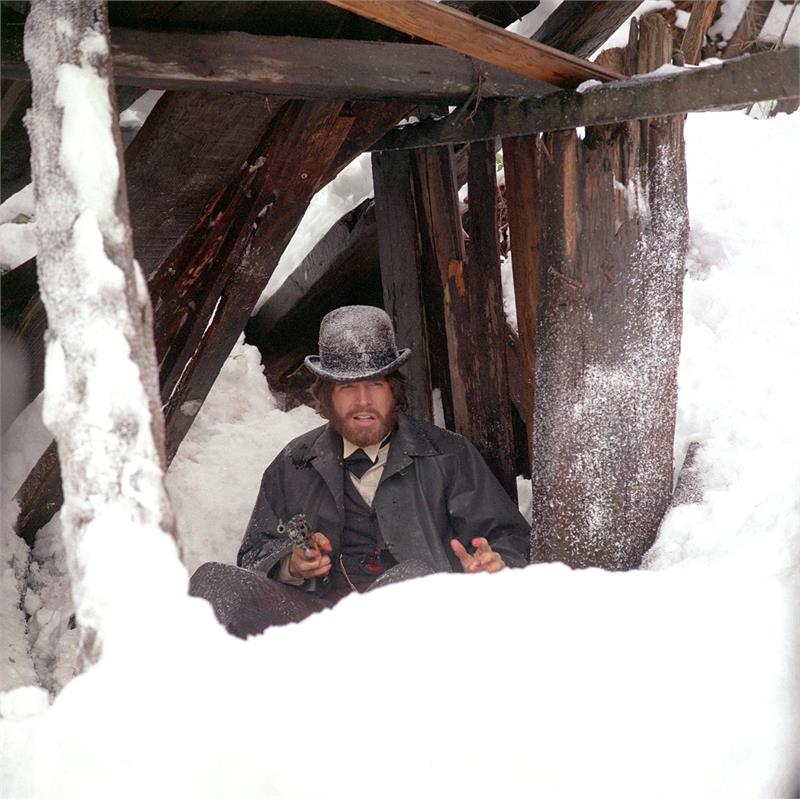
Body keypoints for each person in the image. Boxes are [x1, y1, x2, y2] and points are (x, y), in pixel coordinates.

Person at [190, 305, 530, 637]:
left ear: (394, 391)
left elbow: (511, 538)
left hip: (412, 628)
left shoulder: (448, 455)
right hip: (316, 624)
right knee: (214, 583)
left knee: (412, 578)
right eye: (348, 388)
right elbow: (254, 554)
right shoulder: (294, 463)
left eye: (376, 385)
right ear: (326, 396)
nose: (363, 401)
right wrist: (290, 565)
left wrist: (495, 563)